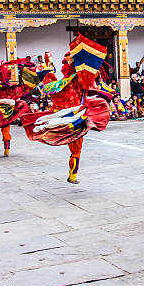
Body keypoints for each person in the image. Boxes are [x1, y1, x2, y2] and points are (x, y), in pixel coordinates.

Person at [21, 35, 110, 184]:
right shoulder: (76, 79)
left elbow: (48, 84)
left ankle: (73, 175)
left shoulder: (68, 80)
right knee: (77, 149)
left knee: (76, 148)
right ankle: (73, 175)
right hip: (73, 116)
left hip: (71, 115)